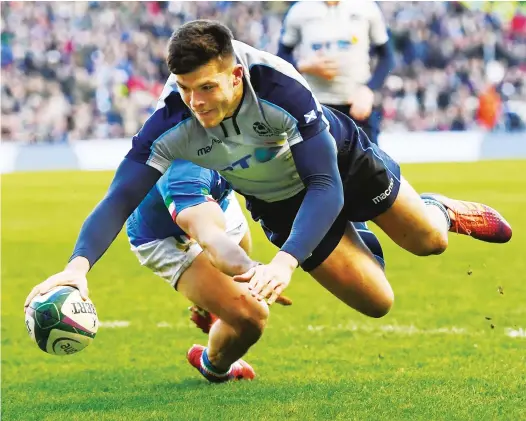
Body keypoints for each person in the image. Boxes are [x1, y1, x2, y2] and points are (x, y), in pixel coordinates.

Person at [25, 20, 512, 384]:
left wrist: (283, 262)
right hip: (277, 201)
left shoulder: (280, 89)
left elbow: (325, 183)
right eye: (186, 89)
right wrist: (78, 266)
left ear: (236, 76)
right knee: (378, 302)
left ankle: (437, 209)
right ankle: (352, 236)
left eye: (208, 87)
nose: (197, 101)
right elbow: (120, 197)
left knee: (429, 242)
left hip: (338, 163)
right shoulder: (170, 124)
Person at [277, 1, 395, 145]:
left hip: (356, 105)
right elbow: (281, 57)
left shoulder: (366, 7)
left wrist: (368, 89)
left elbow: (387, 57)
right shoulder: (299, 10)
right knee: (316, 166)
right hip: (314, 107)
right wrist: (304, 66)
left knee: (371, 166)